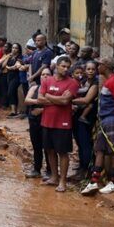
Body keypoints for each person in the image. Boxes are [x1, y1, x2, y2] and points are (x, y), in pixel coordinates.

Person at [81, 59, 114, 195]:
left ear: (106, 67)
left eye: (99, 65)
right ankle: (93, 182)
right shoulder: (110, 81)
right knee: (100, 149)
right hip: (106, 119)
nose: (97, 67)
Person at [39, 56, 78, 192]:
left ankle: (63, 181)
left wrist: (48, 96)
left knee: (62, 152)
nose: (66, 69)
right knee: (49, 150)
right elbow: (40, 99)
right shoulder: (47, 80)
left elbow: (65, 101)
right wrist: (58, 98)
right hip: (46, 121)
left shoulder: (72, 83)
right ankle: (54, 177)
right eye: (63, 66)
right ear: (57, 66)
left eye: (68, 67)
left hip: (63, 123)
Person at [72, 60, 100, 179]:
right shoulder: (83, 81)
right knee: (79, 141)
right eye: (88, 69)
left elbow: (87, 100)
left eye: (93, 69)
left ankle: (86, 169)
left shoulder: (95, 83)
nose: (90, 71)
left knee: (85, 143)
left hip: (87, 117)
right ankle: (81, 166)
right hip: (78, 115)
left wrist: (68, 100)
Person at [24, 67, 51, 179]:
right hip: (34, 121)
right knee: (36, 146)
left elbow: (54, 104)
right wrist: (39, 101)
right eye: (43, 74)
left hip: (47, 121)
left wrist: (41, 110)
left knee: (48, 147)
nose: (45, 76)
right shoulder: (35, 87)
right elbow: (26, 100)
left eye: (47, 74)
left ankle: (50, 170)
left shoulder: (52, 89)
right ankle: (37, 169)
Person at [1, 43, 24, 116]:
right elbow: (3, 65)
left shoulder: (20, 57)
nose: (14, 49)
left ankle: (14, 111)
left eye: (16, 48)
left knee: (10, 92)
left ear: (19, 50)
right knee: (12, 92)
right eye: (13, 48)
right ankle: (13, 110)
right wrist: (7, 57)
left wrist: (8, 67)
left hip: (16, 77)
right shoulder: (10, 57)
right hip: (9, 76)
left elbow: (15, 67)